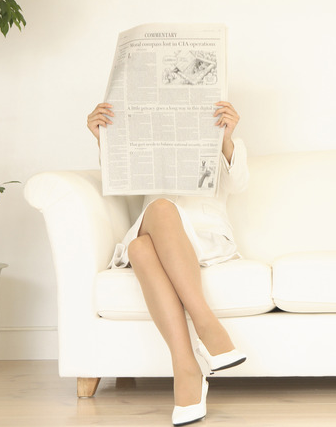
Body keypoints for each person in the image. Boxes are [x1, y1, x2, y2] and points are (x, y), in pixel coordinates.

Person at [87, 101, 249, 426]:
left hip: (204, 238)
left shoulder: (225, 140)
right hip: (156, 231)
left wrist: (228, 138)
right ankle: (198, 346)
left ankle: (187, 364)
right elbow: (119, 184)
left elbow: (239, 184)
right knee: (150, 226)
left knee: (139, 247)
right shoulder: (146, 138)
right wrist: (102, 138)